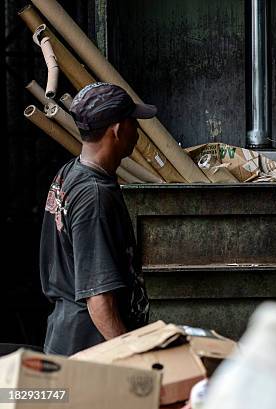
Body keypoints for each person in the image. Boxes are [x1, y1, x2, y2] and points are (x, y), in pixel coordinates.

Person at [39, 82, 154, 355]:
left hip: (70, 338)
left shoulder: (70, 172)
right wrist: (134, 355)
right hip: (90, 350)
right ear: (117, 129)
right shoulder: (94, 196)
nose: (137, 131)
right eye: (133, 122)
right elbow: (99, 299)